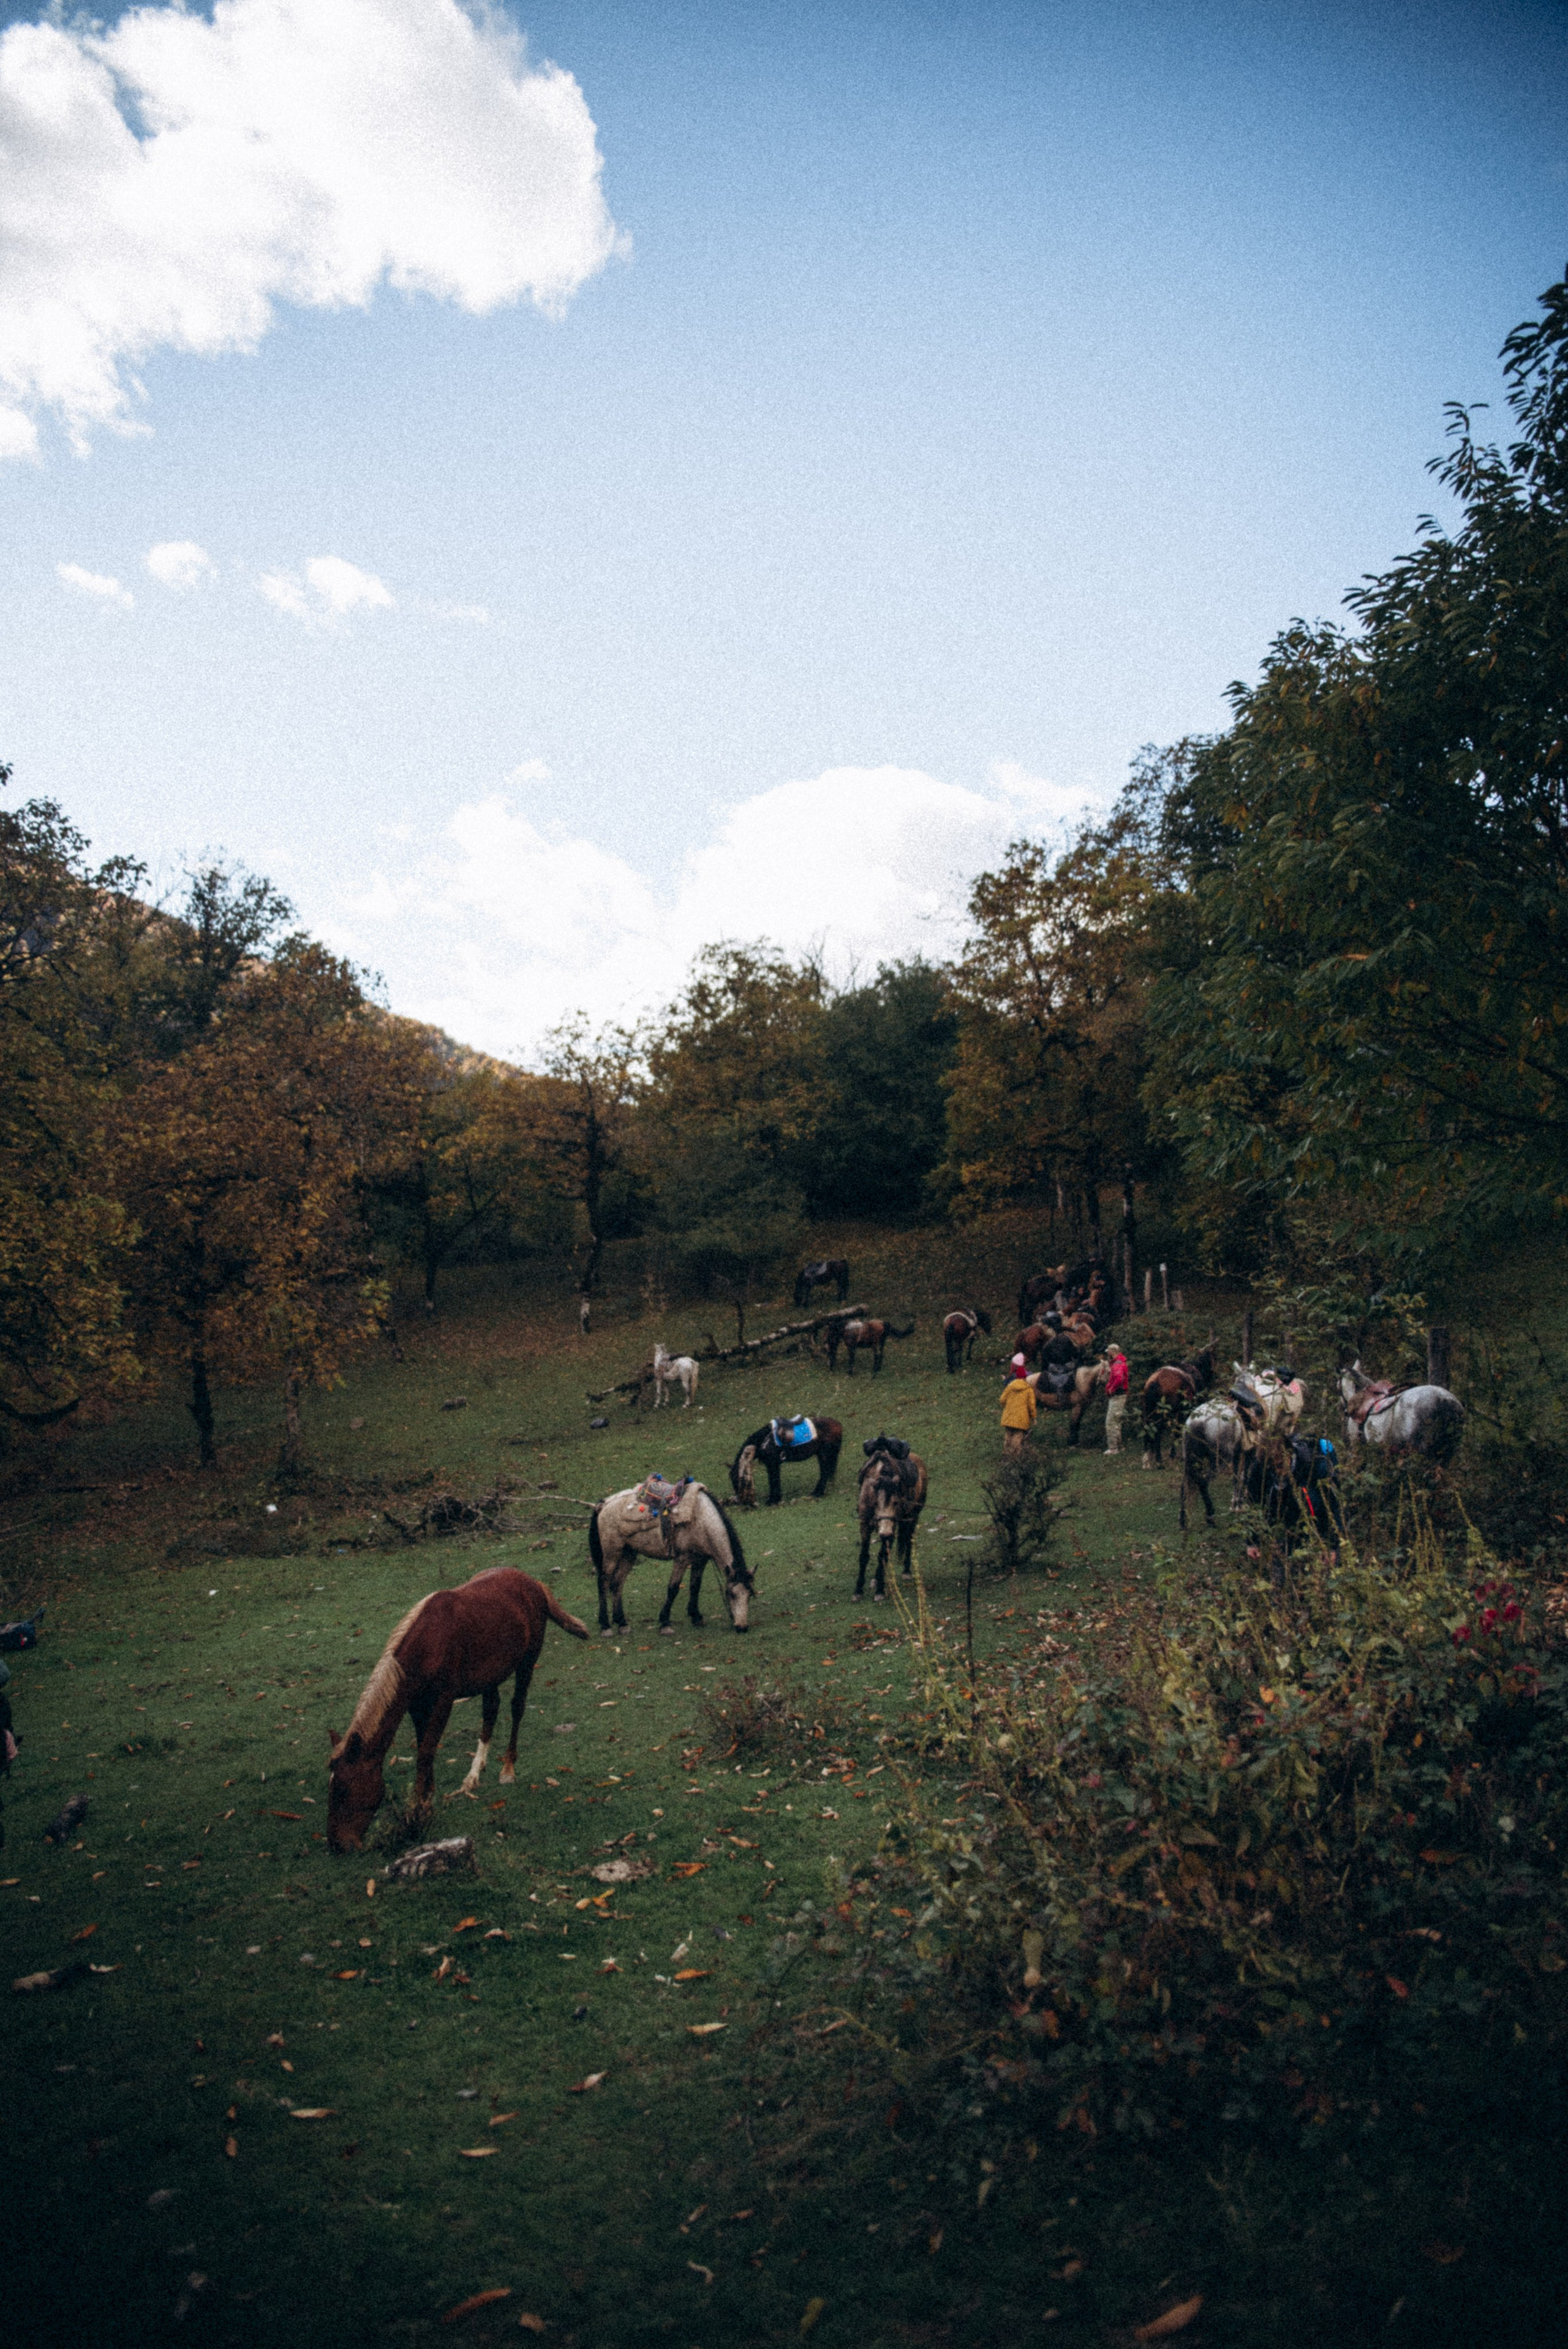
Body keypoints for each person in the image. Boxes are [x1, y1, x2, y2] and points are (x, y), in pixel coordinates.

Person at [1000, 1353, 1037, 1454]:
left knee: (1008, 1435)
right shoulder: (1028, 1389)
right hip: (1022, 1418)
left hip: (1009, 1417)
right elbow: (1032, 1406)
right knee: (1017, 1436)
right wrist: (1034, 1417)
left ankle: (1007, 1453)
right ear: (1024, 1377)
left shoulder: (1010, 1386)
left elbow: (1002, 1400)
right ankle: (1015, 1456)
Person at [1102, 1343, 1129, 1454]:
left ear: (1112, 1352)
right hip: (1120, 1395)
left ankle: (1113, 1448)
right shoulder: (1119, 1362)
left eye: (1108, 1352)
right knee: (1117, 1421)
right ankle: (1119, 1446)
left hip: (1117, 1396)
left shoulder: (1117, 1364)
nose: (1107, 1354)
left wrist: (1111, 1389)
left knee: (1111, 1421)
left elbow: (1119, 1379)